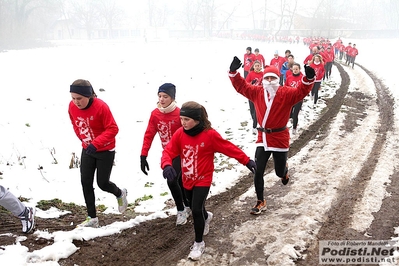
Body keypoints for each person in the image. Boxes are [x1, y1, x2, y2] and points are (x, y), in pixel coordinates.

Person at [161, 101, 256, 261]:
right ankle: (206, 217)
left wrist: (246, 161)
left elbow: (228, 148)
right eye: (181, 119)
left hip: (203, 179)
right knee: (192, 206)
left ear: (197, 120)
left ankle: (198, 243)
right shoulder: (180, 134)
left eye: (186, 119)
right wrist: (166, 165)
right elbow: (168, 151)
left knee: (196, 210)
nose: (182, 123)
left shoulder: (209, 135)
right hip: (187, 178)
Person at [228, 56, 315, 215]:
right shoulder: (256, 92)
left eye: (272, 77)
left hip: (280, 137)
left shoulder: (287, 93)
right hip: (263, 138)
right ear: (263, 79)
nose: (269, 80)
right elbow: (241, 86)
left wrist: (308, 78)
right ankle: (261, 201)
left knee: (278, 172)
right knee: (258, 170)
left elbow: (301, 91)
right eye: (266, 77)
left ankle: (284, 171)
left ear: (278, 79)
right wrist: (234, 72)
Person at [68, 79, 128, 228]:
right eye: (73, 98)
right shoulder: (72, 107)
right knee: (85, 182)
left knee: (102, 183)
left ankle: (120, 193)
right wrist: (84, 140)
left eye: (79, 98)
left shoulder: (101, 107)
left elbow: (113, 129)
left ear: (89, 95)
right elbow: (75, 124)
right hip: (88, 149)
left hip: (105, 150)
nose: (76, 102)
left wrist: (96, 143)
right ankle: (92, 218)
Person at [140, 83, 190, 226]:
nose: (161, 99)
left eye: (165, 96)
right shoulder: (155, 114)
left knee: (174, 180)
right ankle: (185, 206)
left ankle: (182, 209)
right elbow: (149, 134)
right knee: (176, 181)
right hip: (168, 153)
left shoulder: (180, 114)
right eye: (160, 96)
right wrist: (143, 155)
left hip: (182, 153)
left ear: (172, 98)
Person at [245, 60, 263, 134]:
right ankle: (255, 120)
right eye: (256, 66)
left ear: (260, 66)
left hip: (259, 94)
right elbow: (245, 84)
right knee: (252, 110)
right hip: (251, 94)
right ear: (254, 67)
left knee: (257, 110)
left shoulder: (263, 74)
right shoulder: (250, 74)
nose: (257, 67)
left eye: (258, 66)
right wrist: (251, 83)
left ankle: (254, 126)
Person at [286, 63, 304, 135]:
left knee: (295, 114)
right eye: (294, 69)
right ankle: (290, 121)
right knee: (289, 113)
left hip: (299, 99)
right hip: (290, 98)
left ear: (299, 69)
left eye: (297, 69)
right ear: (292, 70)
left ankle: (294, 128)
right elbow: (286, 87)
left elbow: (305, 87)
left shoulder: (302, 77)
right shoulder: (289, 78)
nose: (295, 70)